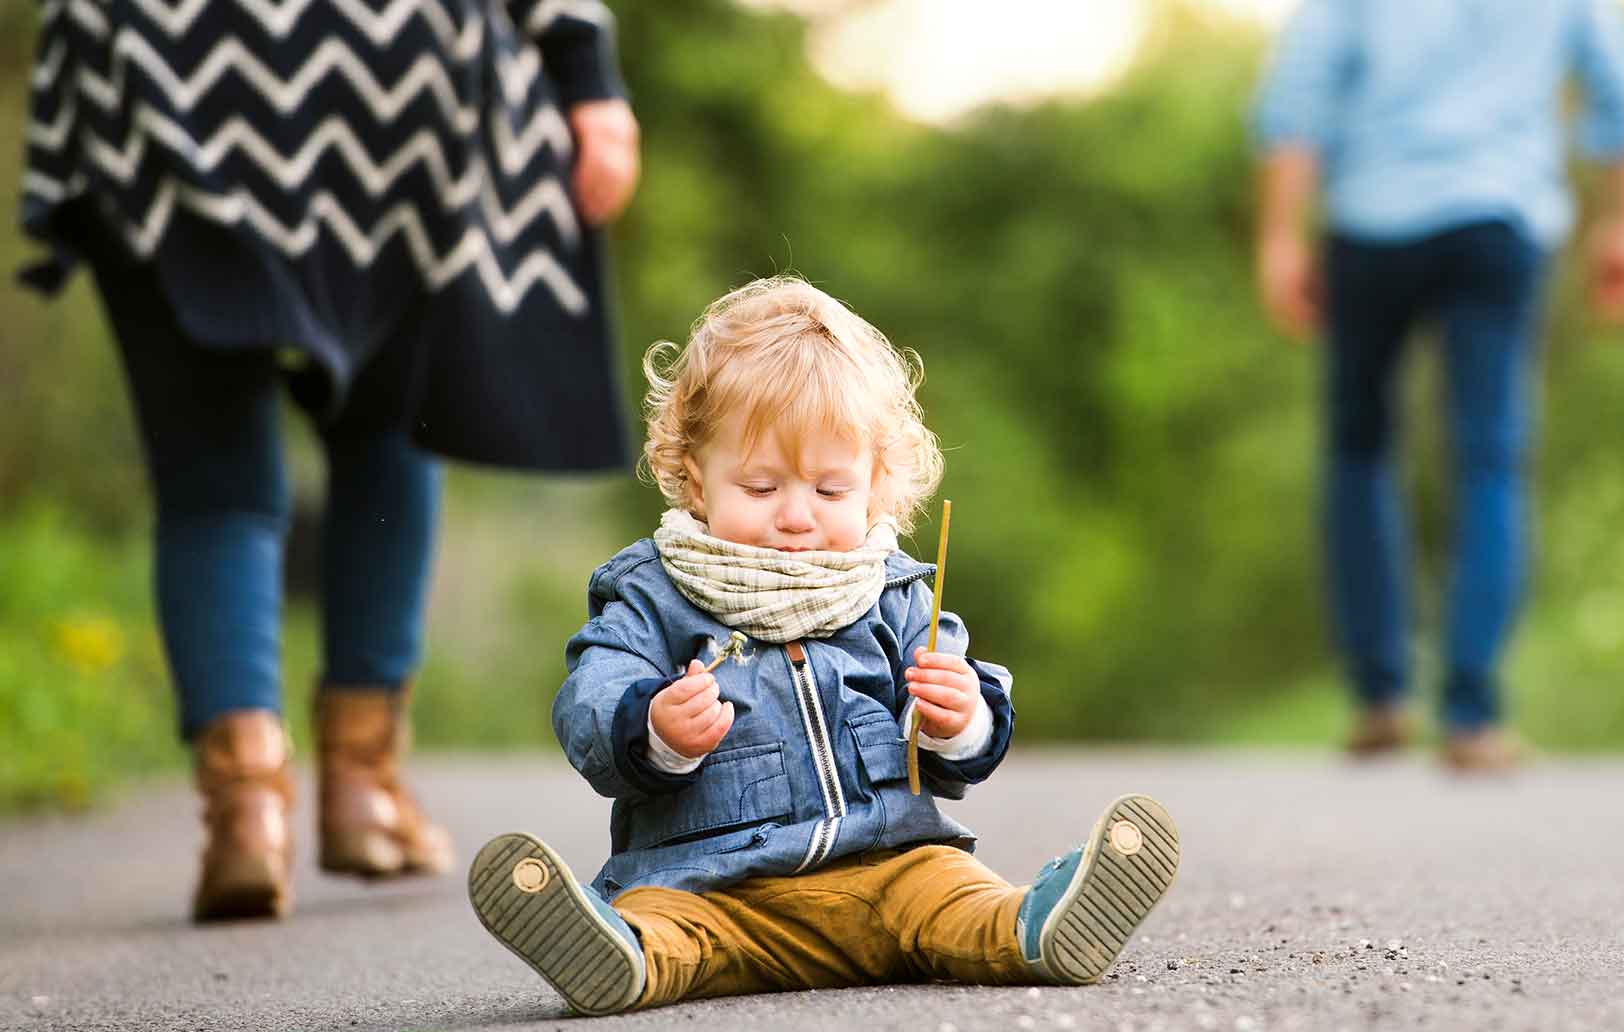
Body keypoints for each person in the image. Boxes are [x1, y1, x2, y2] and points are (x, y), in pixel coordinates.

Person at [18, 0, 641, 918]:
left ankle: (244, 813)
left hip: (153, 61)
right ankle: (362, 790)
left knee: (210, 479)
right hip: (388, 72)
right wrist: (587, 76)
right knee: (388, 432)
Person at [467, 278, 1181, 1015]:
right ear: (694, 479)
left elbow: (968, 731)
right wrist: (654, 730)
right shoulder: (652, 594)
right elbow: (590, 699)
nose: (797, 517)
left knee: (955, 898)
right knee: (670, 930)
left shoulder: (894, 592)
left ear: (876, 485)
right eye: (762, 486)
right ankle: (620, 955)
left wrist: (958, 719)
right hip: (716, 886)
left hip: (888, 869)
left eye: (830, 491)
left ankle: (1038, 927)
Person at [1251, 0, 1624, 769]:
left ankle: (1380, 695)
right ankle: (1471, 713)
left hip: (1372, 221)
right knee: (1490, 458)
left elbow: (1297, 95)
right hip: (1498, 215)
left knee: (1359, 448)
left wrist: (1280, 235)